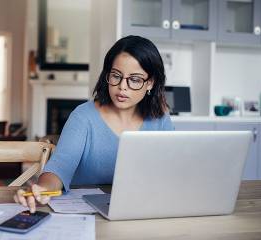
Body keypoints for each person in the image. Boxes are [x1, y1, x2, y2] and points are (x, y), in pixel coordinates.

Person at [14, 35, 174, 212]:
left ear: (150, 83)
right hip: (86, 214)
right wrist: (43, 189)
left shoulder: (160, 118)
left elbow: (171, 171)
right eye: (116, 76)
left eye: (135, 79)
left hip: (141, 209)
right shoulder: (83, 117)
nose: (122, 87)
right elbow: (60, 167)